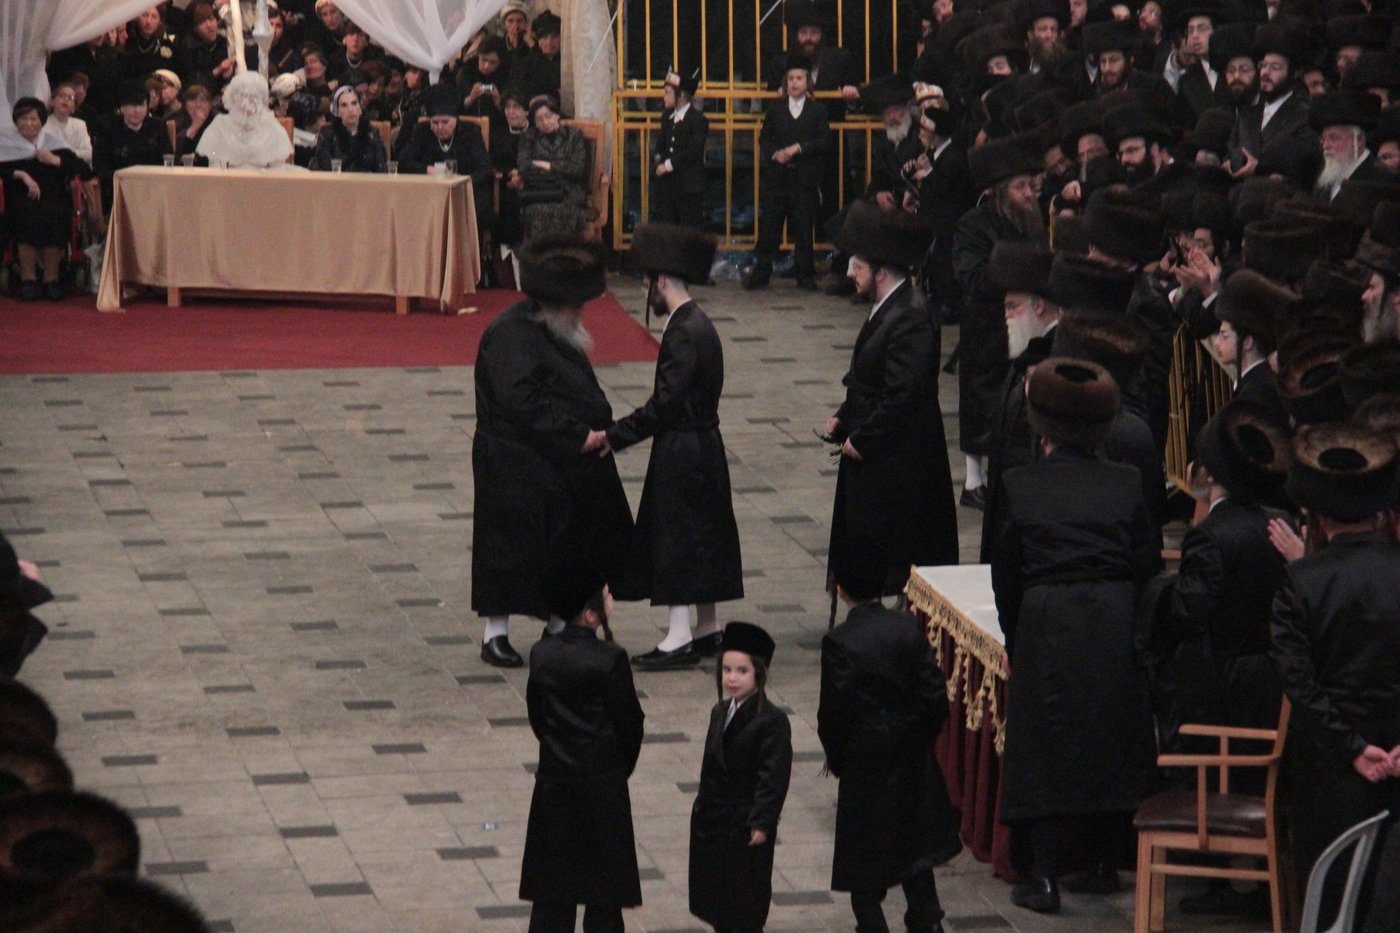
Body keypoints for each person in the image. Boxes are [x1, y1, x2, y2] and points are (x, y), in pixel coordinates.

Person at [991, 357, 1160, 913]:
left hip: (1047, 615)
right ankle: (1103, 862)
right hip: (1113, 613)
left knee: (1044, 741)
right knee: (1107, 734)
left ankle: (1043, 876)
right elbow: (1146, 561)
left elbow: (1006, 571)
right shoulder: (1126, 481)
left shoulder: (1021, 484)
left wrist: (1014, 637)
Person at [471, 234, 634, 667]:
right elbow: (521, 400)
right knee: (507, 548)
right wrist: (576, 435)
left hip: (550, 456)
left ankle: (562, 621)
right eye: (575, 304)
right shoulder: (511, 334)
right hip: (512, 459)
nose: (581, 312)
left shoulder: (553, 328)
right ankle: (495, 632)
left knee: (566, 542)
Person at [606, 224, 743, 670]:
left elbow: (664, 404)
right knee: (704, 533)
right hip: (705, 444)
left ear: (662, 282)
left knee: (676, 535)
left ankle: (680, 633)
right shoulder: (700, 323)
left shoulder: (682, 331)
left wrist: (614, 436)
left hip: (682, 449)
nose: (646, 293)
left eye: (648, 284)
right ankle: (707, 626)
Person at [825, 201, 959, 604]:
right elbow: (871, 376)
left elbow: (904, 392)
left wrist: (864, 437)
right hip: (882, 448)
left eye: (857, 266)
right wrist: (845, 415)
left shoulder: (911, 315)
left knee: (896, 543)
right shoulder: (888, 308)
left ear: (881, 272)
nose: (850, 274)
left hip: (900, 457)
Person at [819, 561, 962, 933]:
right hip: (911, 754)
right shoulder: (905, 626)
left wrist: (841, 759)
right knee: (915, 851)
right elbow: (934, 694)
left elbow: (834, 713)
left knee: (863, 863)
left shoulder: (840, 642)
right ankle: (928, 923)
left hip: (866, 761)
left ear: (840, 590)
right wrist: (919, 737)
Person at [521, 583, 644, 933]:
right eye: (606, 596)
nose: (611, 599)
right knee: (603, 898)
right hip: (602, 787)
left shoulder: (542, 654)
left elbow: (538, 715)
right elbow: (630, 723)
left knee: (552, 896)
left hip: (555, 784)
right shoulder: (611, 659)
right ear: (591, 615)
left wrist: (557, 750)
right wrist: (618, 768)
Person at [952, 132, 1048, 511]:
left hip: (1028, 325)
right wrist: (1017, 271)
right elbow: (971, 275)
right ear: (1002, 191)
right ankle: (974, 480)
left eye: (1032, 186)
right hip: (988, 327)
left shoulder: (1033, 222)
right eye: (1021, 187)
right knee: (983, 403)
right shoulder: (974, 225)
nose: (1029, 194)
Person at [689, 622, 792, 933]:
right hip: (714, 820)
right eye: (727, 669)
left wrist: (762, 821)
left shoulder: (771, 721)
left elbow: (773, 778)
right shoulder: (719, 711)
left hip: (744, 823)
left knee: (744, 900)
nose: (732, 678)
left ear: (759, 673)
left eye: (742, 671)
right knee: (717, 899)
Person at [741, 52, 830, 291]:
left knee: (803, 227)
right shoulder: (776, 109)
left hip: (804, 178)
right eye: (791, 78)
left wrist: (799, 148)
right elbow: (764, 138)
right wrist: (774, 154)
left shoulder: (818, 110)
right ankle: (762, 271)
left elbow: (824, 141)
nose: (794, 83)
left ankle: (805, 273)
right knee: (770, 224)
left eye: (799, 78)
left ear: (807, 82)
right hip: (778, 177)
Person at [1, 99, 90, 301]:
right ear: (16, 121)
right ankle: (28, 279)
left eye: (33, 119)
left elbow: (83, 169)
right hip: (21, 196)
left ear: (42, 121)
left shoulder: (54, 144)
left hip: (53, 197)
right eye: (23, 119)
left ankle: (51, 279)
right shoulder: (7, 145)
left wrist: (55, 160)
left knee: (56, 214)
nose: (28, 123)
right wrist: (21, 175)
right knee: (25, 214)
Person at [398, 85, 495, 236]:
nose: (440, 127)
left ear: (455, 120)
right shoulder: (422, 131)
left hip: (464, 192)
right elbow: (404, 162)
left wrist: (461, 182)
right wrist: (427, 170)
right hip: (430, 192)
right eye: (435, 123)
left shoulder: (470, 132)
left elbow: (484, 168)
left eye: (445, 122)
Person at [93, 79, 173, 211]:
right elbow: (100, 165)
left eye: (141, 105)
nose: (137, 110)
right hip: (120, 190)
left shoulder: (157, 127)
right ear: (122, 107)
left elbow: (168, 158)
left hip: (153, 189)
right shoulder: (107, 128)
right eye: (132, 105)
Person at [516, 95, 589, 238]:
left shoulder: (573, 135)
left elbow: (577, 169)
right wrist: (561, 170)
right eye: (539, 119)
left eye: (548, 116)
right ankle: (541, 252)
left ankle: (565, 251)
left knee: (566, 211)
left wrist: (548, 166)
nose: (545, 122)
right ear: (534, 122)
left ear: (557, 116)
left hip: (569, 192)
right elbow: (524, 169)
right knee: (537, 212)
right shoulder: (528, 137)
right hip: (539, 193)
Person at [197, 71, 295, 169]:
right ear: (233, 98)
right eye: (243, 97)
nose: (248, 104)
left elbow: (277, 170)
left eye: (254, 98)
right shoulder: (220, 125)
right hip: (229, 178)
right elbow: (215, 167)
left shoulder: (272, 127)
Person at [651, 70, 708, 227]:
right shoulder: (667, 116)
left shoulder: (698, 120)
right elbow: (661, 142)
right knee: (666, 228)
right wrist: (657, 157)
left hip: (688, 186)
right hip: (668, 185)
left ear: (681, 95)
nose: (664, 96)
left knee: (687, 230)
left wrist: (668, 165)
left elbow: (693, 151)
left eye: (668, 93)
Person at [312, 85, 386, 172]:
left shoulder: (372, 133)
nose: (350, 110)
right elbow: (324, 169)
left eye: (354, 103)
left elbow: (382, 169)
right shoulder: (327, 133)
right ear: (337, 111)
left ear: (360, 108)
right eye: (344, 105)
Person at [512, 11, 562, 103]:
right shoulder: (529, 61)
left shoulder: (565, 62)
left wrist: (533, 46)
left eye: (554, 36)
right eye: (545, 37)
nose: (549, 42)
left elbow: (553, 80)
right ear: (538, 39)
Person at [44, 82, 92, 166]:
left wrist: (64, 154)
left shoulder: (80, 124)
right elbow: (47, 153)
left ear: (73, 108)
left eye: (70, 98)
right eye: (62, 96)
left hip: (77, 168)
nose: (66, 99)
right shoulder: (43, 124)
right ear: (52, 102)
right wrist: (75, 153)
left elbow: (89, 154)